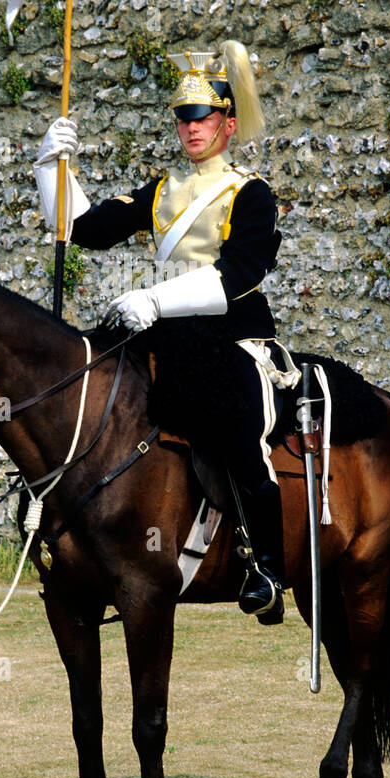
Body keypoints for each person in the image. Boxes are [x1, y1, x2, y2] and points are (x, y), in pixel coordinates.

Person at [33, 42, 287, 623]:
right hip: (163, 333)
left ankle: (267, 566)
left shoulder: (251, 193)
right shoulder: (161, 189)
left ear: (226, 122)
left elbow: (237, 278)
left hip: (232, 337)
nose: (190, 128)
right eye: (182, 117)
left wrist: (154, 297)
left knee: (238, 421)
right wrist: (51, 167)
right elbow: (80, 228)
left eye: (201, 118)